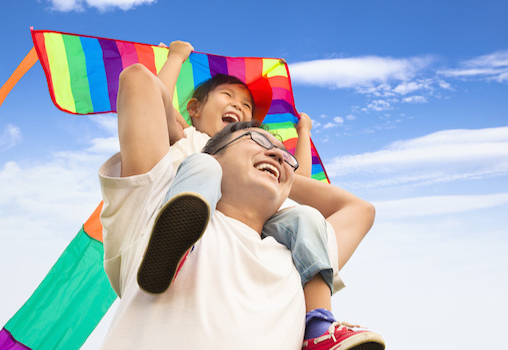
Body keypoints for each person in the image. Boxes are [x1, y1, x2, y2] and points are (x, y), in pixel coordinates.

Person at [98, 43, 383, 348]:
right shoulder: (173, 164)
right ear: (194, 109)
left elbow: (360, 209)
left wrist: (283, 157)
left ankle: (318, 326)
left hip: (266, 221)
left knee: (306, 215)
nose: (274, 150)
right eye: (257, 137)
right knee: (203, 165)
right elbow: (139, 82)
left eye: (247, 107)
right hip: (175, 217)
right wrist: (176, 59)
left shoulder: (292, 257)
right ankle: (176, 250)